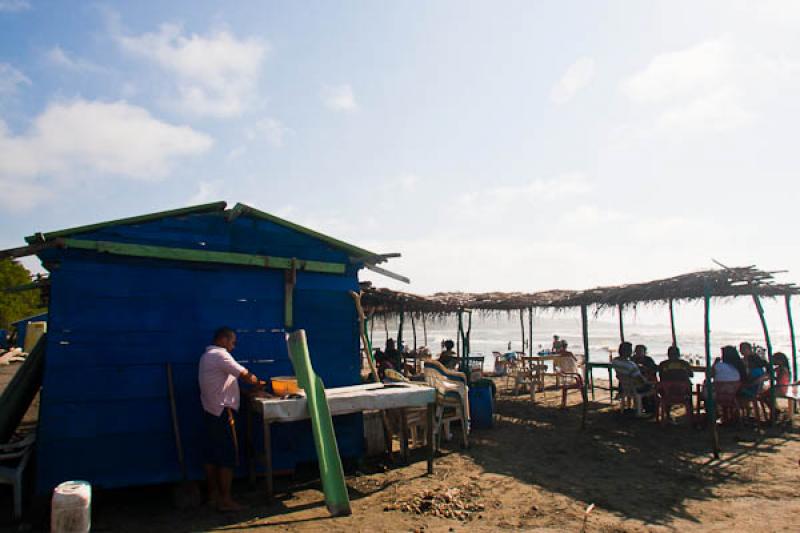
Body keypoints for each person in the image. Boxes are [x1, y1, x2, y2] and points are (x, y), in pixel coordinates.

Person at [199, 327, 266, 511]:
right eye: (232, 342)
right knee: (227, 457)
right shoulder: (220, 355)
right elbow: (244, 374)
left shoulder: (207, 356)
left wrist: (243, 393)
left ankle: (213, 496)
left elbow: (222, 384)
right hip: (223, 413)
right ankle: (226, 500)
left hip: (210, 411)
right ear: (222, 339)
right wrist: (259, 383)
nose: (233, 347)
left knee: (212, 456)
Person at [612, 341, 654, 412]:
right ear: (628, 352)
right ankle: (649, 409)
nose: (632, 352)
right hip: (635, 388)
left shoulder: (615, 361)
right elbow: (640, 380)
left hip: (625, 387)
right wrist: (649, 382)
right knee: (653, 387)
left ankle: (639, 406)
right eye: (631, 350)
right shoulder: (631, 365)